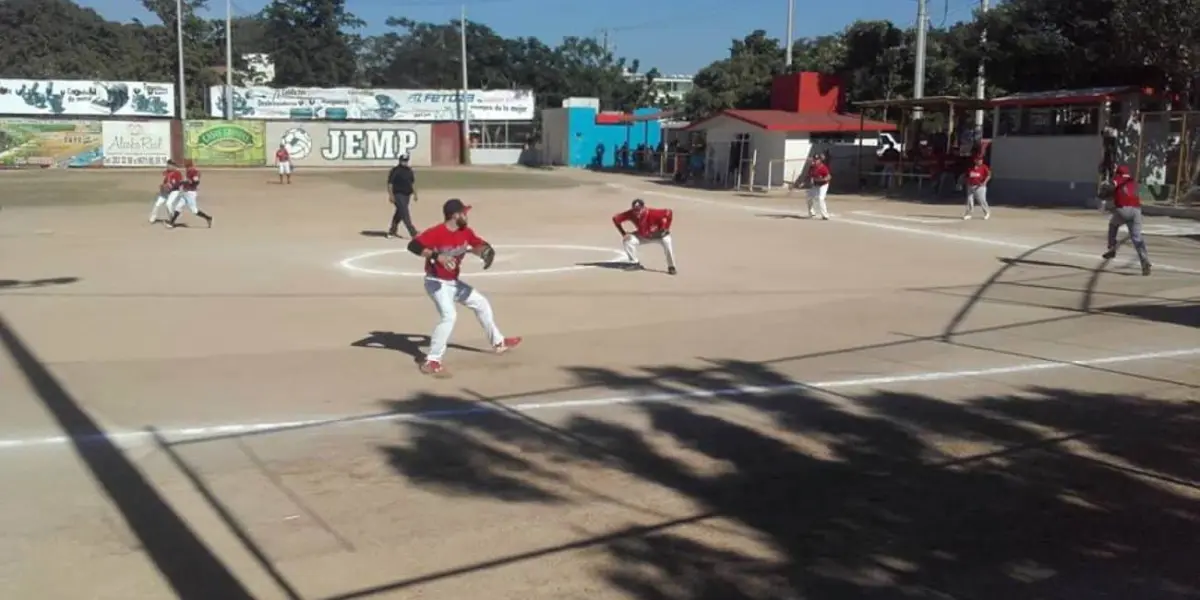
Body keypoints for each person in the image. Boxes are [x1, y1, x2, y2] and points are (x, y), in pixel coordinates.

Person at [406, 199, 522, 375]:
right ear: (454, 215)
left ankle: (499, 343)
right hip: (436, 281)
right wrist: (436, 256)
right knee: (449, 316)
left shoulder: (465, 232)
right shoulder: (436, 232)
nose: (466, 215)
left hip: (453, 283)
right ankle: (432, 361)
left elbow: (478, 245)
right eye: (463, 213)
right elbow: (413, 246)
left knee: (481, 303)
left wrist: (485, 252)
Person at [1101, 165, 1152, 276]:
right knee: (1137, 237)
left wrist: (1104, 190)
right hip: (1137, 210)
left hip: (1123, 209)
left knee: (1113, 225)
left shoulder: (1119, 178)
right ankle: (1145, 260)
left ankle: (1112, 248)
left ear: (1119, 172)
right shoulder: (1133, 181)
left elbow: (1110, 187)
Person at [612, 198, 677, 275]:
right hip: (643, 235)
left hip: (659, 236)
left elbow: (669, 213)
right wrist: (623, 233)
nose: (637, 212)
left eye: (638, 210)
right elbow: (616, 219)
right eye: (635, 210)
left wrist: (666, 228)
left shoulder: (653, 213)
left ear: (643, 208)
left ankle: (671, 266)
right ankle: (635, 263)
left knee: (667, 243)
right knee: (627, 241)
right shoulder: (630, 213)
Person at [167, 159, 213, 229]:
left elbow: (196, 182)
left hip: (190, 193)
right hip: (185, 192)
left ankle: (208, 218)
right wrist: (183, 182)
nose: (186, 167)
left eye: (186, 165)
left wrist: (189, 182)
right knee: (178, 207)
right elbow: (187, 181)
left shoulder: (194, 172)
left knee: (194, 210)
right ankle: (171, 223)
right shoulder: (188, 171)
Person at [386, 154, 419, 239]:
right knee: (405, 212)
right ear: (400, 161)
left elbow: (412, 183)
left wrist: (415, 193)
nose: (404, 162)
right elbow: (390, 183)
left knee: (400, 213)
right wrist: (391, 195)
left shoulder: (409, 170)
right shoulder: (395, 170)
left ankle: (392, 231)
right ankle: (413, 232)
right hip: (398, 194)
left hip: (407, 195)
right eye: (403, 161)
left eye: (406, 161)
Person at [963, 154, 991, 220]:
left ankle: (987, 212)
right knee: (969, 200)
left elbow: (989, 175)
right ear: (975, 160)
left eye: (981, 160)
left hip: (980, 187)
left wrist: (984, 183)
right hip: (970, 186)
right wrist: (966, 182)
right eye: (978, 160)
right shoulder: (971, 167)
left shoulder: (984, 167)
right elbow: (967, 175)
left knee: (981, 200)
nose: (980, 161)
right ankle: (969, 214)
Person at [806, 154, 832, 220]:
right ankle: (812, 213)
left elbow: (829, 176)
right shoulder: (812, 167)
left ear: (820, 160)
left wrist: (824, 179)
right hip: (816, 185)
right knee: (809, 197)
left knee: (820, 198)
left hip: (823, 185)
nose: (815, 161)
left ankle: (825, 215)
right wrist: (803, 183)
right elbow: (809, 176)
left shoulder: (823, 168)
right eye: (814, 159)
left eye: (817, 159)